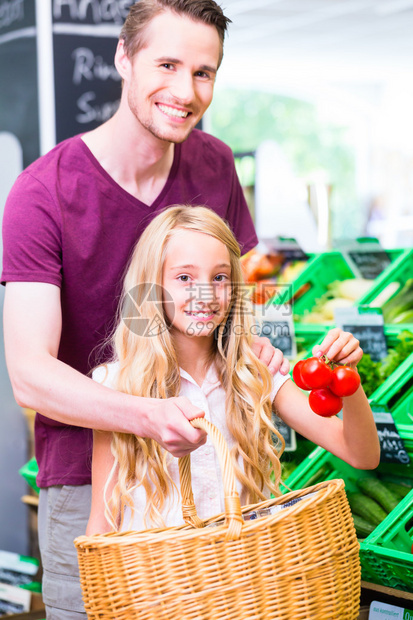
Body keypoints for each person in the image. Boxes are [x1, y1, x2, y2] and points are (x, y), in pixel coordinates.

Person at [1, 1, 288, 618]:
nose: (186, 92)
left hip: (215, 477)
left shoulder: (215, 164)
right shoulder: (43, 193)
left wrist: (261, 342)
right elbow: (29, 373)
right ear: (123, 60)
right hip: (90, 483)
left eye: (204, 72)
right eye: (167, 64)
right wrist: (148, 416)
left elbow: (247, 296)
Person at [86, 205, 380, 537]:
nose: (206, 294)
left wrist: (347, 380)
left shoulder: (257, 373)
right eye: (184, 277)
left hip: (241, 575)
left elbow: (362, 454)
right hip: (158, 580)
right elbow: (104, 517)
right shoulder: (116, 385)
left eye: (220, 277)